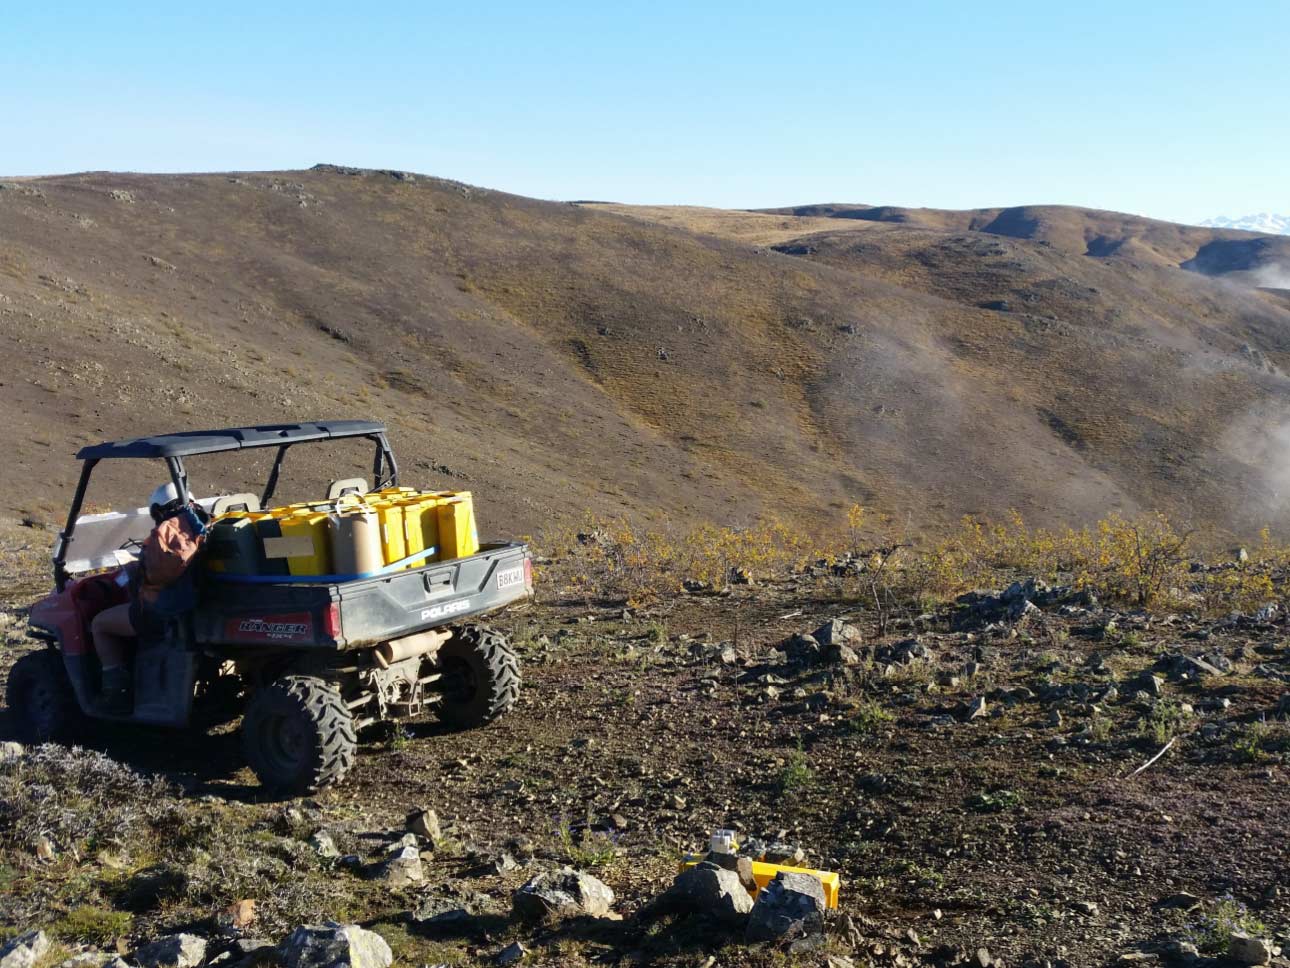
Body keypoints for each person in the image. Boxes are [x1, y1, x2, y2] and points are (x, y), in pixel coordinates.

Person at [90, 482, 208, 714]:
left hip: (162, 611)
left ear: (159, 510)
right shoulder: (202, 522)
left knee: (99, 624)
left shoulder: (168, 532)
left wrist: (137, 571)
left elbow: (156, 576)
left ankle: (117, 694)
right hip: (195, 604)